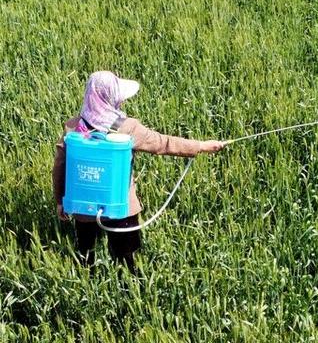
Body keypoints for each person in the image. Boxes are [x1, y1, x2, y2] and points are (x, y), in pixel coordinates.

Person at [52, 70, 226, 274]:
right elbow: (163, 143)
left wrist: (60, 201)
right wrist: (201, 146)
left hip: (84, 209)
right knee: (128, 260)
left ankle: (88, 284)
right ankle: (130, 294)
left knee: (85, 254)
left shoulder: (73, 128)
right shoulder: (127, 128)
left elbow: (59, 168)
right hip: (121, 208)